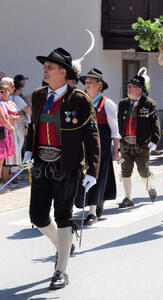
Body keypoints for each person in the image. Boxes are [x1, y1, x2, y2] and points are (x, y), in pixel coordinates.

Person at [24, 47, 100, 289]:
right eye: (45, 66)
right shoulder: (38, 95)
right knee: (37, 216)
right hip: (41, 165)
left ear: (63, 72)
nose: (45, 70)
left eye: (50, 67)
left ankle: (61, 270)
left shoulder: (79, 99)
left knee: (63, 216)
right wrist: (28, 149)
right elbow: (33, 128)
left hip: (67, 166)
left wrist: (93, 171)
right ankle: (63, 245)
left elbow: (92, 136)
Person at [75, 68, 120, 225]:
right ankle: (91, 202)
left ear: (99, 85)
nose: (86, 85)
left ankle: (92, 211)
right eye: (85, 82)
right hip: (84, 143)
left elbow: (114, 129)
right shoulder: (82, 101)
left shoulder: (107, 104)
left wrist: (117, 150)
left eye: (90, 82)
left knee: (98, 176)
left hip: (102, 143)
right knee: (81, 174)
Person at [117, 73, 160, 208]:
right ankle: (128, 198)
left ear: (139, 89)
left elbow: (155, 124)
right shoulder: (123, 104)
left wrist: (154, 141)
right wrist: (118, 143)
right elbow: (119, 123)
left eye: (131, 87)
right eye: (128, 86)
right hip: (125, 144)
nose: (128, 88)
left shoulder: (149, 104)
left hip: (142, 144)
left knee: (143, 170)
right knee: (125, 170)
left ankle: (150, 188)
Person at [0, 84, 15, 189]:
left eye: (5, 91)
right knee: (0, 159)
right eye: (1, 91)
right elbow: (3, 120)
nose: (3, 93)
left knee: (2, 159)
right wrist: (11, 127)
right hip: (1, 132)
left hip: (3, 132)